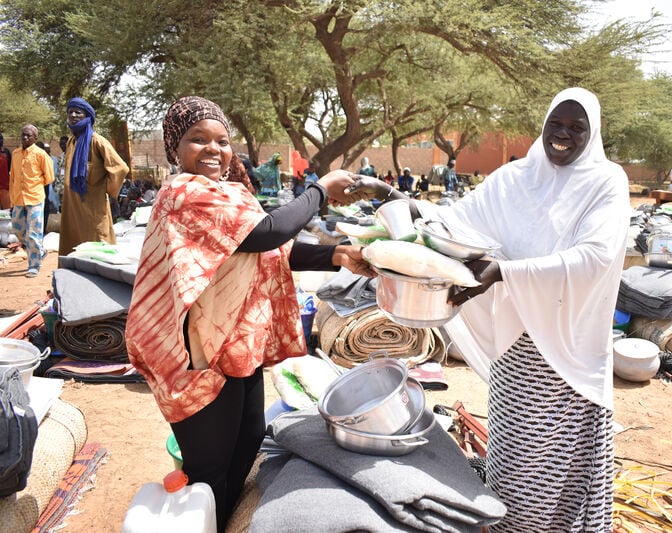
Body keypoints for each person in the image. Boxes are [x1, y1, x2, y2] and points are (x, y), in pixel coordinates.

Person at [346, 87, 629, 531]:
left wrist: (504, 272)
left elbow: (595, 257)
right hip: (515, 341)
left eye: (577, 127)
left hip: (564, 347)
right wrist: (391, 195)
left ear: (592, 134)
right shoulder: (515, 179)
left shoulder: (605, 182)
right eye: (556, 123)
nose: (563, 135)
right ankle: (507, 522)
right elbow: (454, 222)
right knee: (513, 450)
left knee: (554, 460)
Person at [125, 96, 374, 532]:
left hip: (240, 343)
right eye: (197, 139)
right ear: (174, 148)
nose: (213, 149)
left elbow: (267, 248)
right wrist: (319, 189)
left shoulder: (232, 193)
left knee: (246, 446)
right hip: (199, 351)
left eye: (222, 141)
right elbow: (267, 233)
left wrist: (336, 254)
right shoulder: (183, 193)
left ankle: (219, 522)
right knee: (210, 468)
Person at [59, 98, 130, 256]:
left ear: (87, 116)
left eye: (78, 112)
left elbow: (120, 168)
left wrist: (107, 189)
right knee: (73, 247)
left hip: (93, 208)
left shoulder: (96, 141)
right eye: (70, 112)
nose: (73, 115)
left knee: (97, 247)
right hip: (72, 206)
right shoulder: (71, 142)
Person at [9, 124, 54, 277]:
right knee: (17, 228)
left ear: (35, 138)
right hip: (18, 198)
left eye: (29, 135)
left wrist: (34, 185)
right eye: (23, 134)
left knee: (33, 233)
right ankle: (40, 251)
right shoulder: (15, 154)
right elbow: (12, 177)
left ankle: (34, 265)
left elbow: (49, 177)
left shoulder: (41, 154)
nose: (25, 137)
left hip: (35, 197)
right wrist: (12, 198)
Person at [0, 133, 12, 210]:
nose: (1, 141)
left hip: (5, 187)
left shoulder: (6, 152)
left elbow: (11, 168)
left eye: (1, 139)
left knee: (6, 212)